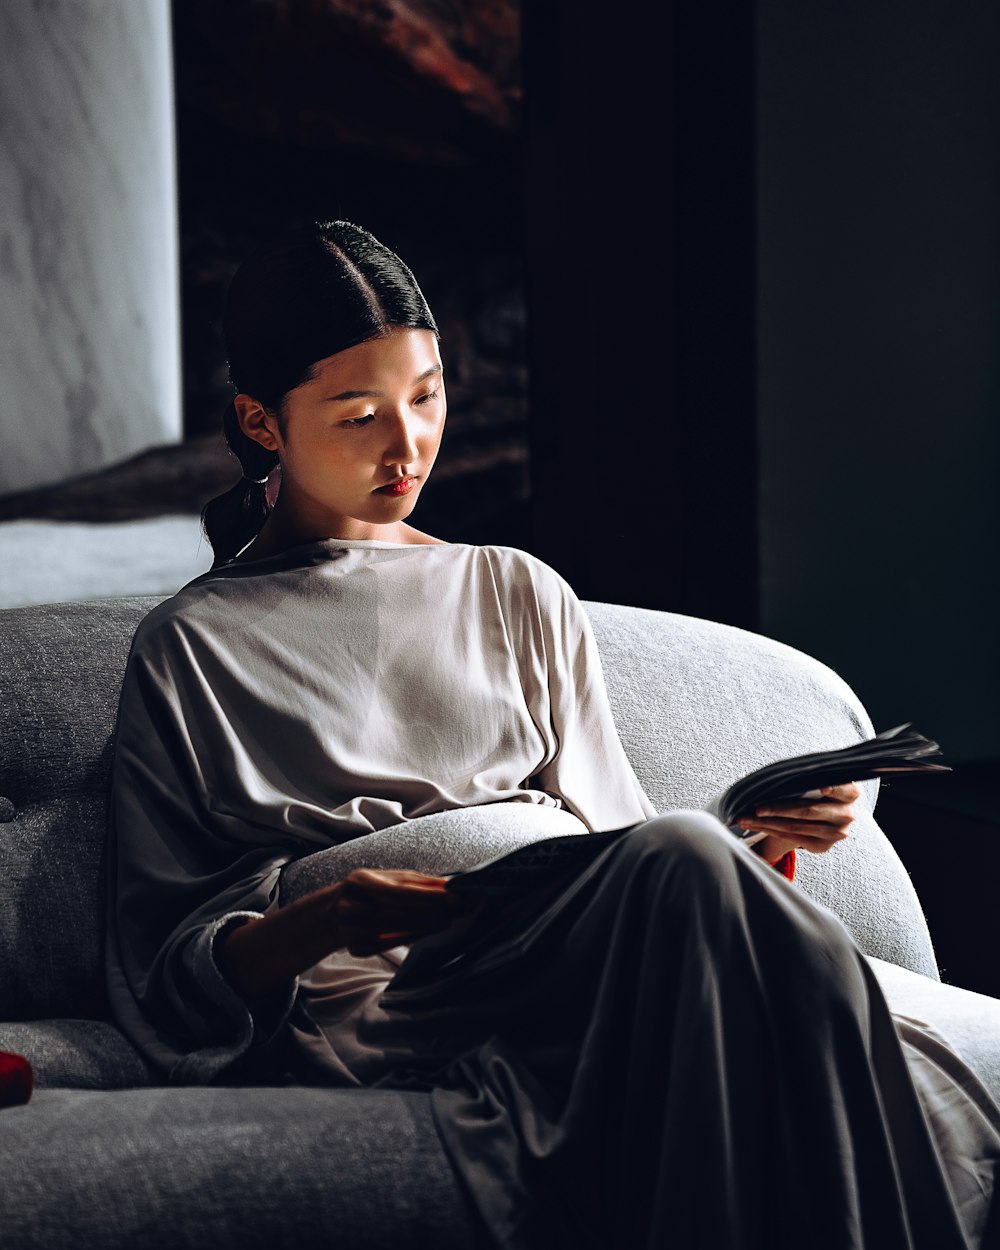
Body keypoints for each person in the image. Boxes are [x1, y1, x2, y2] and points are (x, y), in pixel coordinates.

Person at [106, 220, 1000, 1249]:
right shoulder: (192, 646)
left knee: (700, 870)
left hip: (572, 941)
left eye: (428, 394)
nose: (409, 446)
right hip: (399, 989)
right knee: (729, 915)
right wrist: (334, 913)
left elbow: (620, 839)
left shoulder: (514, 588)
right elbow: (164, 964)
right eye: (360, 415)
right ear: (262, 422)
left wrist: (763, 837)